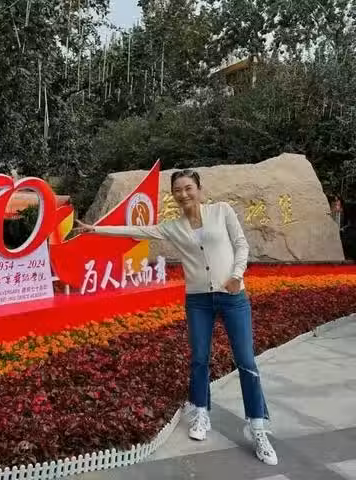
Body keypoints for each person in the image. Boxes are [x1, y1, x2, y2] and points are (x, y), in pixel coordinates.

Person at [74, 170, 278, 466]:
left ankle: (258, 428)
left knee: (246, 361)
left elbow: (241, 245)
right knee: (199, 358)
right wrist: (95, 229)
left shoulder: (222, 211)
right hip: (198, 301)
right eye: (178, 190)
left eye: (188, 188)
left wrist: (236, 275)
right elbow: (137, 230)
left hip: (232, 296)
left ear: (199, 189)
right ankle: (200, 413)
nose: (183, 194)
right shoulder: (173, 227)